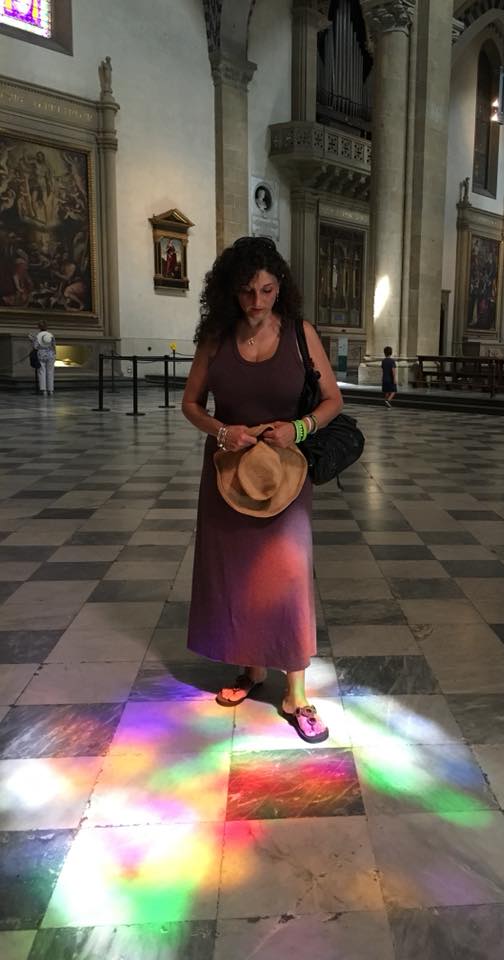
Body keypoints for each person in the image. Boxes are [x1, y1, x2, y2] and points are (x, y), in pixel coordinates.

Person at [181, 236, 342, 744]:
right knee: (237, 576)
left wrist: (297, 429)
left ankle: (295, 691)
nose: (257, 301)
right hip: (229, 474)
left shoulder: (300, 334)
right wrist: (222, 431)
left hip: (284, 474)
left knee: (286, 577)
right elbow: (191, 404)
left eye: (267, 290)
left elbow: (333, 400)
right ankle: (251, 670)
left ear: (280, 289)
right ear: (231, 291)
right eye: (248, 291)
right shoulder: (216, 338)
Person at [29, 320, 56, 396]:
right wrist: (54, 354)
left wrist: (32, 340)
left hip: (41, 354)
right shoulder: (51, 335)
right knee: (50, 372)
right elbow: (54, 345)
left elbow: (35, 346)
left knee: (41, 372)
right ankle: (50, 390)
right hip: (51, 354)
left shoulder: (38, 335)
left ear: (39, 327)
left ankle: (43, 390)